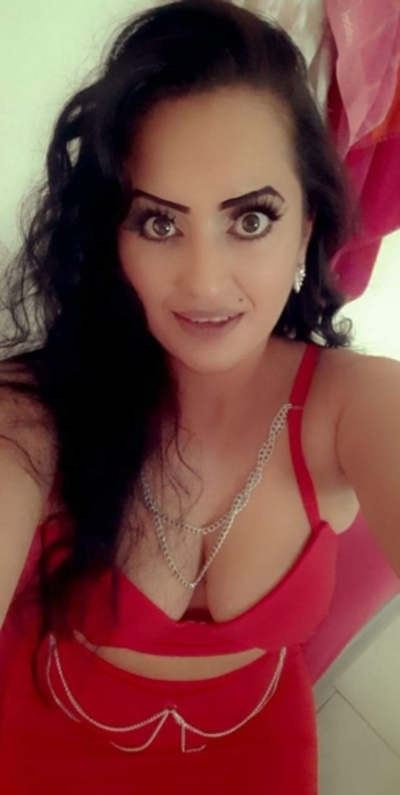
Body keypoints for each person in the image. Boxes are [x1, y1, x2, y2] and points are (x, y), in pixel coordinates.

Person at [0, 0, 366, 791]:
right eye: (159, 223)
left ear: (305, 229)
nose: (203, 282)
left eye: (251, 219)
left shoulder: (354, 405)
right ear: (114, 234)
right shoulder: (36, 407)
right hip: (41, 724)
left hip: (254, 747)